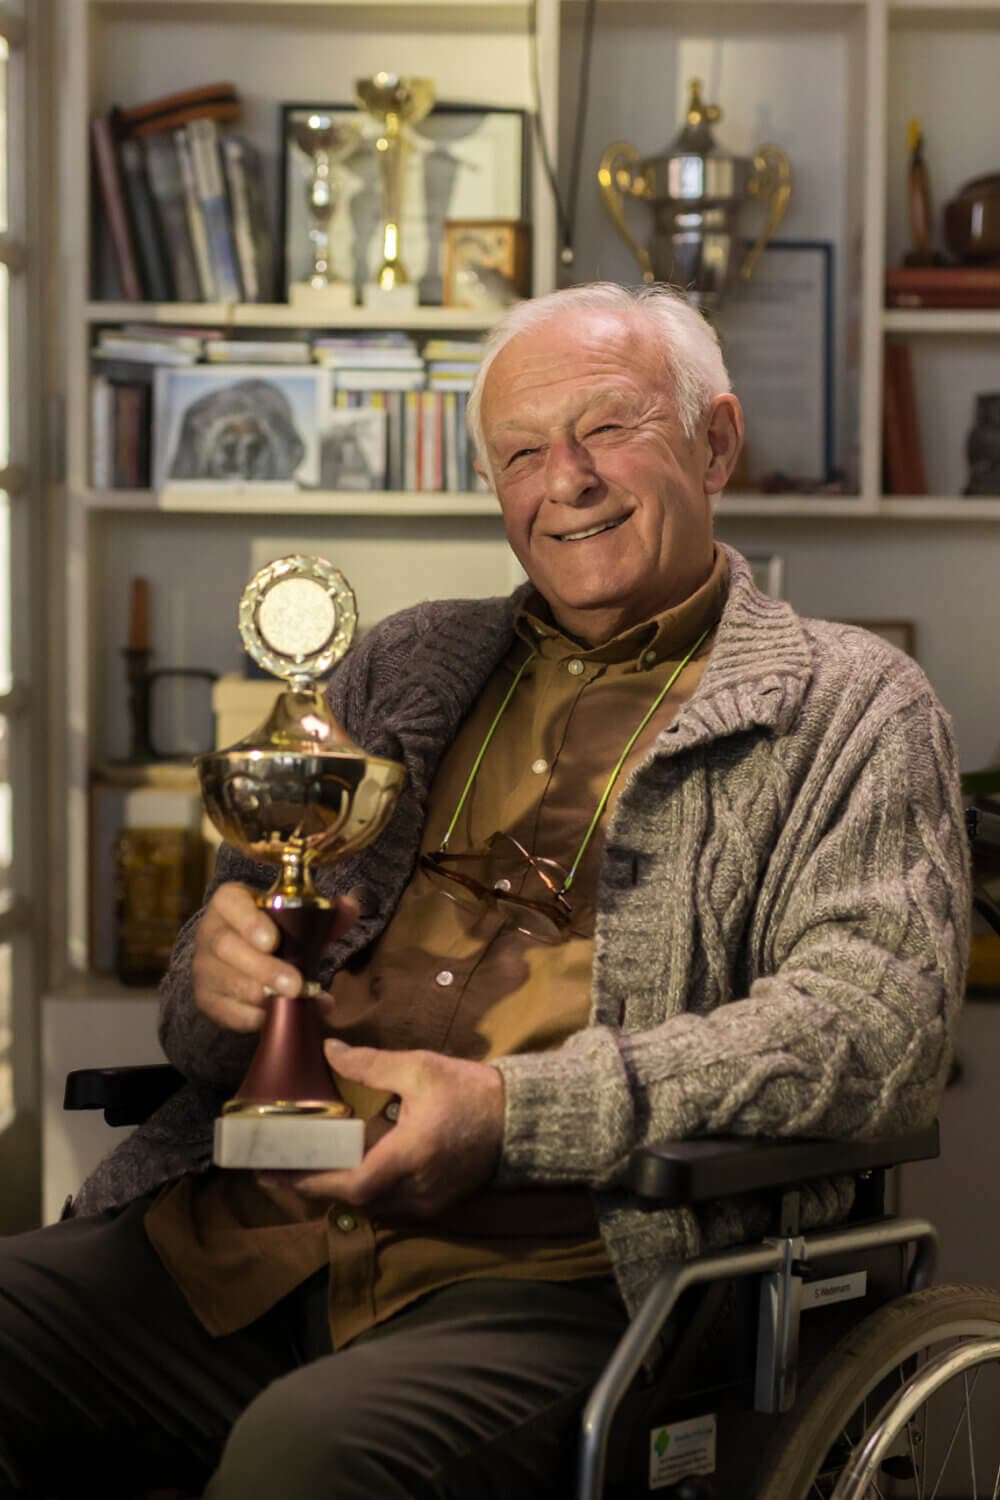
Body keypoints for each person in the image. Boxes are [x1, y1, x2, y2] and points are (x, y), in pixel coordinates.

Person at [0, 283, 970, 1499]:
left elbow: (872, 1030)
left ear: (714, 442)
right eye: (520, 451)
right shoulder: (403, 663)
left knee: (312, 1457)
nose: (563, 480)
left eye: (607, 429)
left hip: (566, 1272)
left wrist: (514, 1115)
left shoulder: (852, 705)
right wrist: (219, 968)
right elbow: (216, 998)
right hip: (241, 1240)